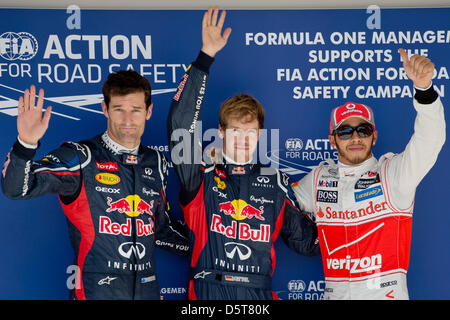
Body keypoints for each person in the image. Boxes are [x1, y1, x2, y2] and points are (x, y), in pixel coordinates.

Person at [167, 7, 320, 300]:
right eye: (235, 131)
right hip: (207, 295)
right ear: (221, 132)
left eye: (250, 132)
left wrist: (359, 224)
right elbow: (179, 128)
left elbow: (306, 241)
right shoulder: (200, 175)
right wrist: (205, 58)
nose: (242, 139)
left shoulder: (275, 182)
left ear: (260, 135)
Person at [1, 70, 188, 300]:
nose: (128, 120)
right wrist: (26, 144)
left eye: (136, 110)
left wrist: (214, 244)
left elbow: (160, 229)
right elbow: (17, 188)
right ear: (105, 109)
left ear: (148, 112)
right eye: (119, 110)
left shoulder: (157, 161)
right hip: (94, 292)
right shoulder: (80, 157)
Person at [291, 49, 446, 300]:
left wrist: (424, 89)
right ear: (332, 139)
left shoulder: (393, 173)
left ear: (375, 136)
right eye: (345, 132)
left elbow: (430, 140)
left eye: (363, 130)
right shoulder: (319, 179)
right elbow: (274, 203)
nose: (355, 137)